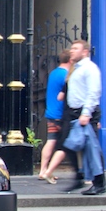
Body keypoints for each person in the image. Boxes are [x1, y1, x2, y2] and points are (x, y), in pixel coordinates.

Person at [62, 39, 106, 195]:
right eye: (72, 48)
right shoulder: (76, 68)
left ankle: (99, 183)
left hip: (85, 113)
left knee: (92, 148)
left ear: (85, 52)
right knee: (67, 144)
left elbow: (93, 92)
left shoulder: (90, 68)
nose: (72, 51)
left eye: (76, 48)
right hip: (73, 112)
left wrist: (86, 113)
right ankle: (79, 177)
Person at [38, 49, 71, 184]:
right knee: (66, 144)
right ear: (70, 60)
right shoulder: (66, 75)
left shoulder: (53, 73)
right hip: (60, 113)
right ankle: (48, 171)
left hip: (51, 112)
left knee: (51, 141)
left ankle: (43, 170)